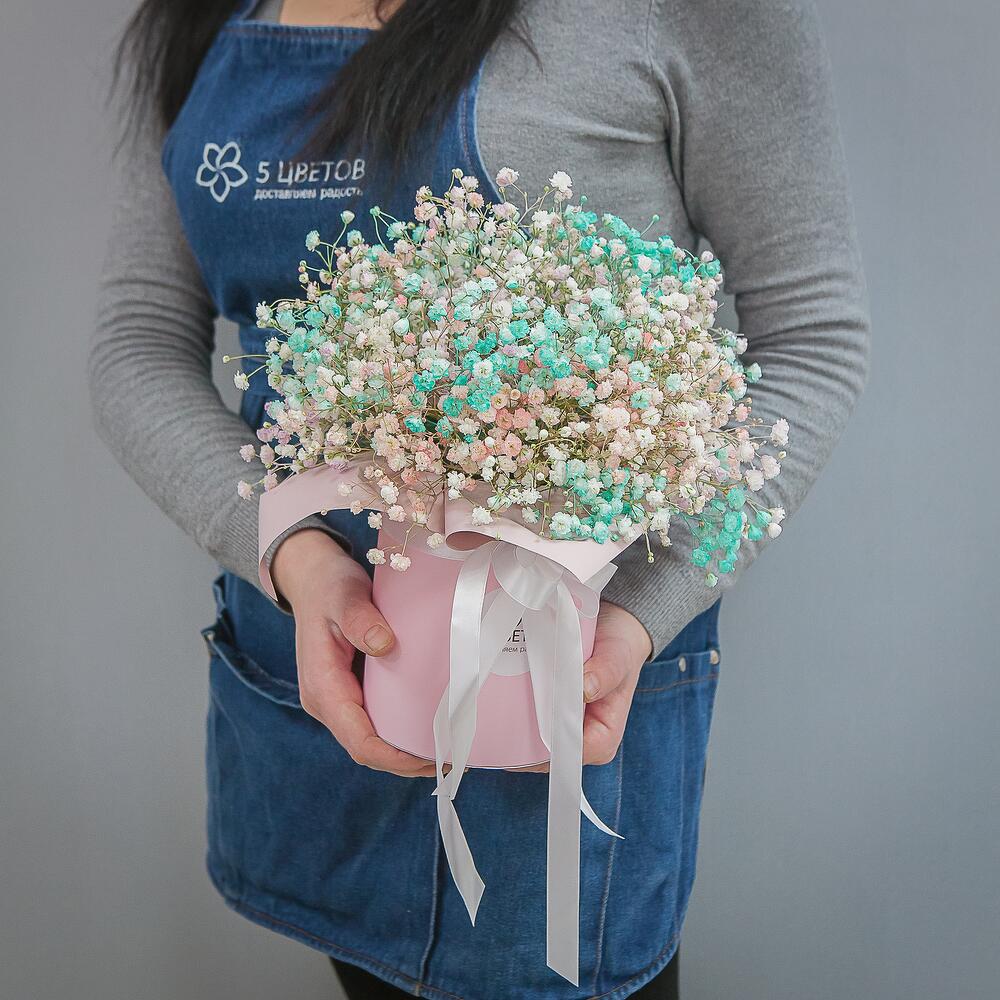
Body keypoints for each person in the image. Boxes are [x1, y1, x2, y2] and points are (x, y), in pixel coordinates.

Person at [90, 0, 870, 997]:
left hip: (558, 693)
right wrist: (288, 549)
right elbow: (138, 337)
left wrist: (645, 609)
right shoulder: (198, 17)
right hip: (307, 690)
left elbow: (813, 339)